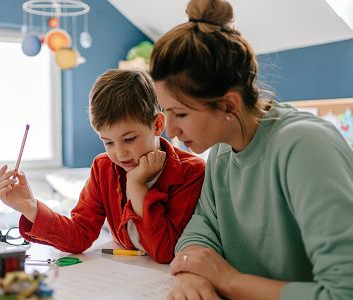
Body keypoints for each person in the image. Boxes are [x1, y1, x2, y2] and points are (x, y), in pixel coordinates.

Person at [150, 0, 353, 298]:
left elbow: (343, 292)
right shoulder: (222, 149)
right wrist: (189, 273)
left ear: (229, 104)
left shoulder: (305, 147)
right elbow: (202, 226)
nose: (171, 130)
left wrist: (229, 280)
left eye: (180, 114)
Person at [0, 69, 205, 263]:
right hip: (123, 274)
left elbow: (165, 251)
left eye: (129, 139)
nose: (120, 153)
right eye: (108, 142)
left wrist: (136, 187)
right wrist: (30, 207)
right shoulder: (103, 167)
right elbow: (80, 235)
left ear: (158, 124)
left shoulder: (192, 172)